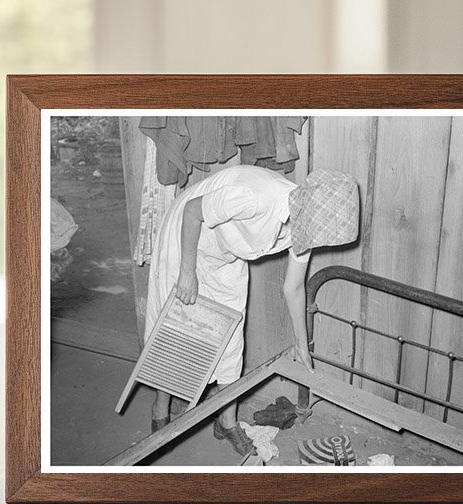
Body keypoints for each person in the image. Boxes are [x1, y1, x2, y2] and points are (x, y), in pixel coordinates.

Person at [143, 164, 360, 456]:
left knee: (231, 337)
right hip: (187, 240)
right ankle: (160, 408)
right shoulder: (254, 198)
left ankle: (227, 420)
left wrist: (301, 345)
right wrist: (187, 271)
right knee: (177, 330)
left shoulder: (308, 227)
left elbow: (293, 288)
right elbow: (192, 212)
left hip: (227, 252)